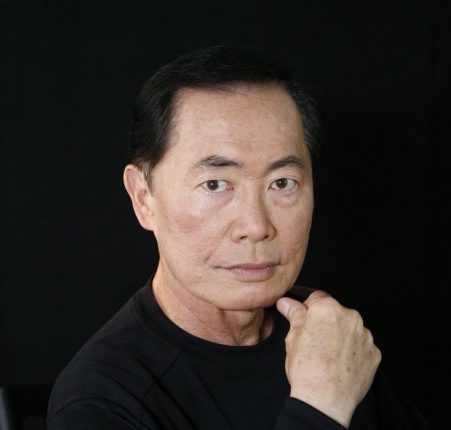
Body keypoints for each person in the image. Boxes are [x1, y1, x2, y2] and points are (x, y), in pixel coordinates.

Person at [46, 44, 430, 429]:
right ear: (144, 198)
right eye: (215, 184)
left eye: (282, 183)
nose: (256, 225)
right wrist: (321, 404)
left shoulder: (326, 332)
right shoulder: (101, 400)